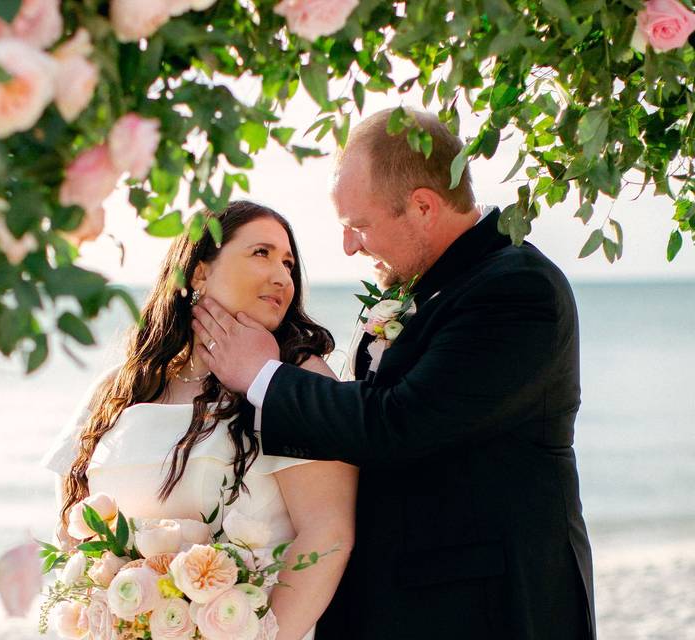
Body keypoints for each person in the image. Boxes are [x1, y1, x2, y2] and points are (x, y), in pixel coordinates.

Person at [191, 109, 596, 639]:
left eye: (359, 225)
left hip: (486, 609)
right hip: (405, 602)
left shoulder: (517, 289)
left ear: (423, 206)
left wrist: (263, 375)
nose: (350, 247)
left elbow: (401, 421)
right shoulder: (430, 286)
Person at [43, 201, 357, 640]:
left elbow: (327, 535)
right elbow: (72, 525)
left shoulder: (298, 380)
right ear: (199, 272)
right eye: (261, 253)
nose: (282, 276)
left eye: (288, 262)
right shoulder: (120, 386)